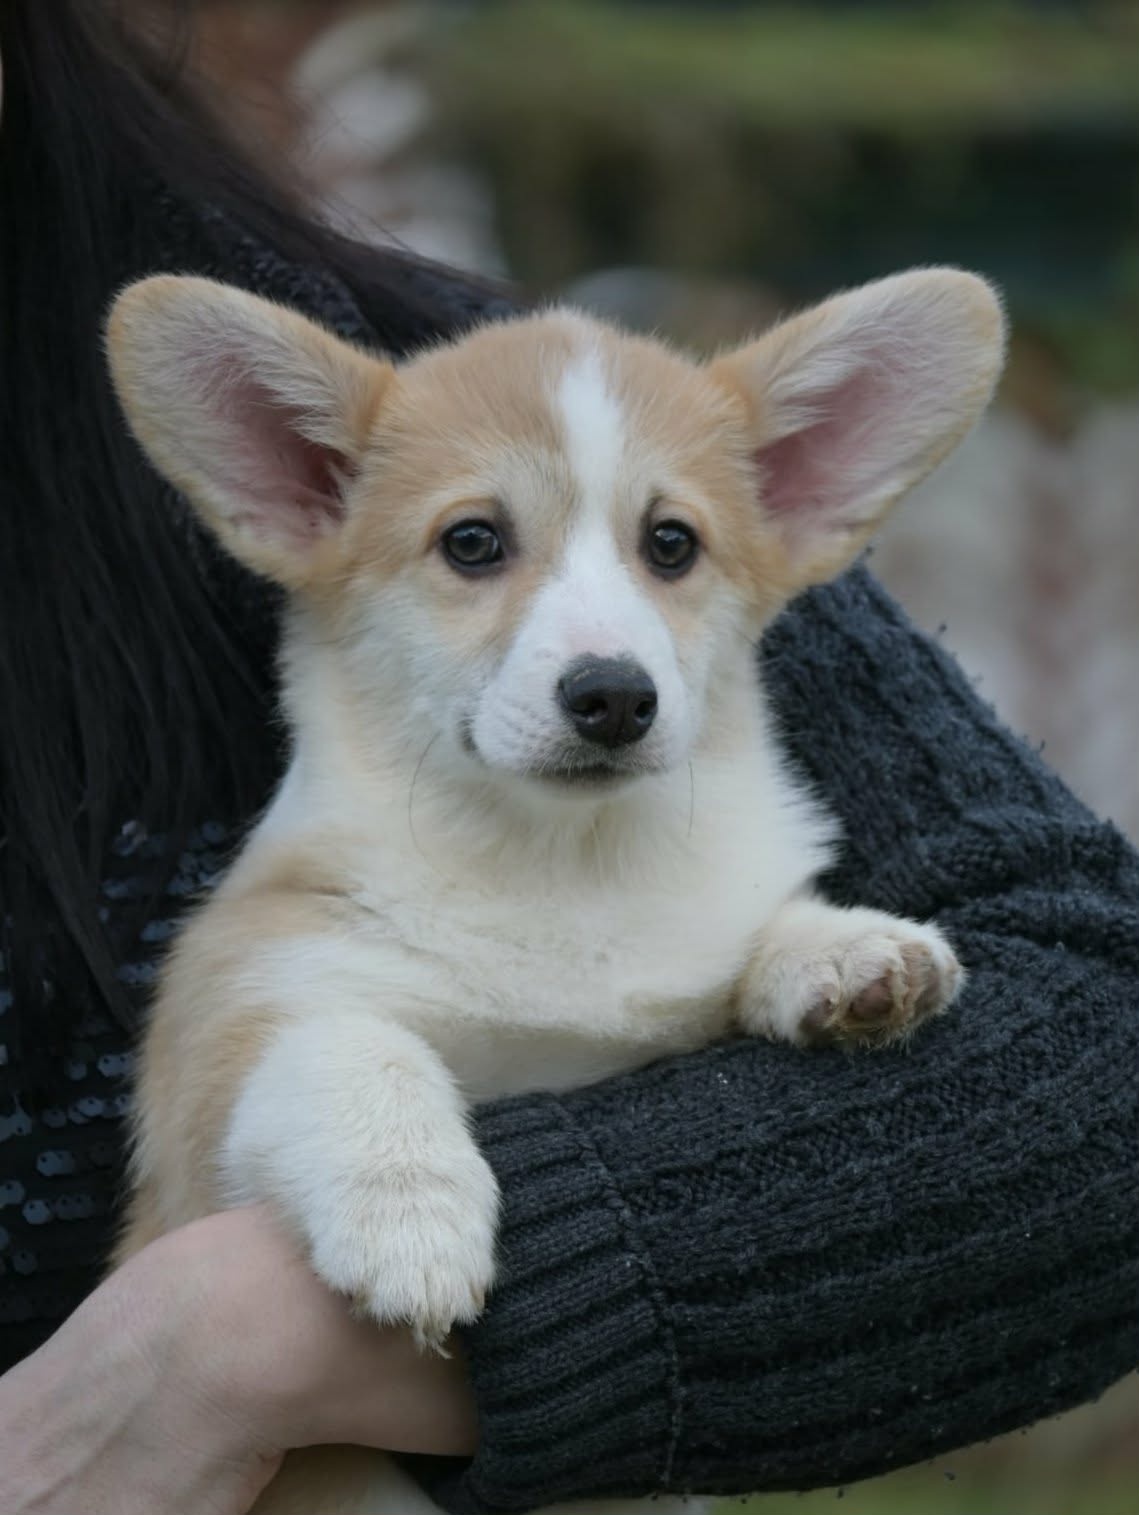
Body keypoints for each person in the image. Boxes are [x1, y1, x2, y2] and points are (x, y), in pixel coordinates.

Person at [0, 3, 1136, 1513]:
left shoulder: (416, 358)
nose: (600, 647)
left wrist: (228, 1337)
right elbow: (288, 1062)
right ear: (291, 488)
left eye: (670, 546)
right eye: (479, 546)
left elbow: (1089, 1061)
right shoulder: (321, 906)